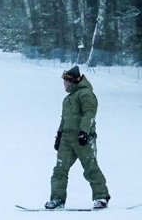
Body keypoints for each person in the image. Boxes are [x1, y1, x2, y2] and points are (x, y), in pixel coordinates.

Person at [45, 66, 110, 210]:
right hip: (67, 140)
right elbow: (64, 119)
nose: (64, 85)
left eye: (65, 82)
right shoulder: (68, 99)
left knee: (90, 167)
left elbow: (89, 114)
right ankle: (57, 199)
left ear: (72, 81)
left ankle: (101, 197)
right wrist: (59, 135)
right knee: (59, 170)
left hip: (83, 139)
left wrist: (84, 132)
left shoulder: (86, 94)